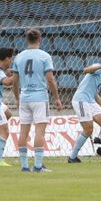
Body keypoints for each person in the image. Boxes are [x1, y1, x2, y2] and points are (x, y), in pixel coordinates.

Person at [12, 29, 63, 172]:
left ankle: (24, 166)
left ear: (27, 39)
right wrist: (57, 98)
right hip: (40, 97)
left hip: (24, 97)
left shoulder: (19, 57)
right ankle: (38, 166)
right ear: (40, 38)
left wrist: (17, 98)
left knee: (23, 131)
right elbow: (50, 79)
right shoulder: (44, 56)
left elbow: (15, 81)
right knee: (39, 131)